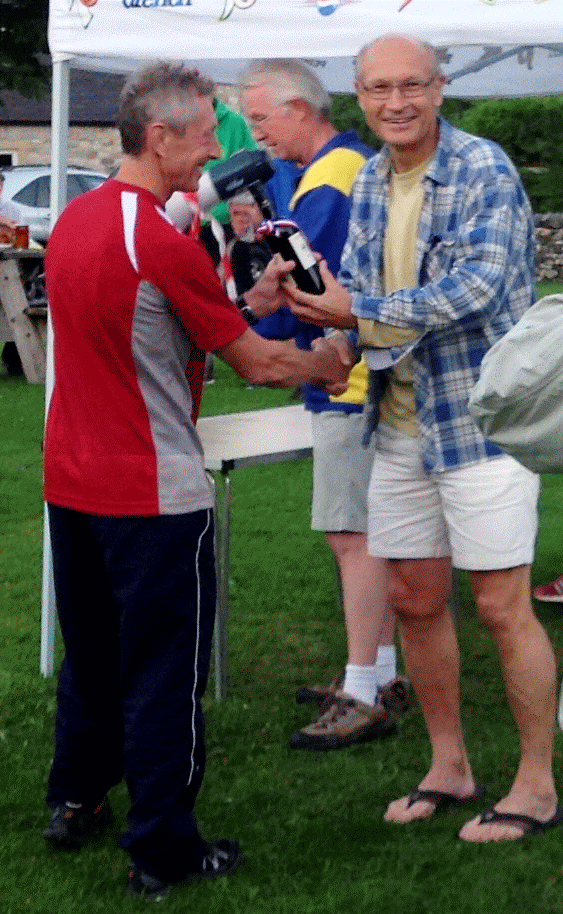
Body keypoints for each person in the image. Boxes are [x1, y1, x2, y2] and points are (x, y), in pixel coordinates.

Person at [41, 61, 349, 902]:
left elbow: (154, 326)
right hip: (152, 493)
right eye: (209, 136)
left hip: (73, 484)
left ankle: (75, 798)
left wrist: (249, 302)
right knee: (162, 675)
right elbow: (259, 364)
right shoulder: (158, 239)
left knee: (92, 656)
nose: (218, 153)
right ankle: (163, 848)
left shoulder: (77, 219)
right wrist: (328, 359)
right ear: (161, 137)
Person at [283, 34, 561, 841]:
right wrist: (335, 337)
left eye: (410, 85)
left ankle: (536, 786)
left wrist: (358, 315)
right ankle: (449, 767)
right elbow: (360, 288)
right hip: (399, 424)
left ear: (439, 88)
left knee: (501, 606)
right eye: (378, 88)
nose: (395, 102)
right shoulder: (370, 178)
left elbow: (475, 287)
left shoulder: (482, 168)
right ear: (360, 96)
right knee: (412, 600)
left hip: (480, 426)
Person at [241, 59, 406, 752]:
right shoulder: (343, 166)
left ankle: (362, 690)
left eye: (260, 119)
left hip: (350, 382)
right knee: (367, 533)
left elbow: (310, 291)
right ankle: (383, 673)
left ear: (299, 109)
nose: (255, 135)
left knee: (352, 537)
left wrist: (263, 324)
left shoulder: (331, 177)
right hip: (365, 375)